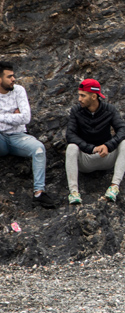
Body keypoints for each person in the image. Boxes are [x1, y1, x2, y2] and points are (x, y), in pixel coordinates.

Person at [65, 79, 125, 204]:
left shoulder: (109, 109)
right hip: (86, 159)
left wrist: (108, 146)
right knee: (71, 147)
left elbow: (123, 130)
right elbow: (70, 135)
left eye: (83, 95)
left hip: (106, 157)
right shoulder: (76, 111)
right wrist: (91, 148)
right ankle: (73, 192)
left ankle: (114, 187)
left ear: (94, 96)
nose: (79, 99)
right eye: (79, 95)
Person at [0, 62, 56, 208]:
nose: (13, 79)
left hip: (18, 136)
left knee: (38, 148)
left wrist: (1, 116)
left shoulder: (19, 90)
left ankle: (39, 193)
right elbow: (19, 118)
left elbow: (26, 118)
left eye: (13, 76)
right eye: (9, 76)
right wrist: (12, 115)